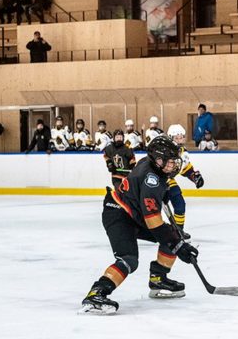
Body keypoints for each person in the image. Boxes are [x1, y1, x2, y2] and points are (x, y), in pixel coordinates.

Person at [80, 136, 199, 314]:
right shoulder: (152, 181)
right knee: (129, 259)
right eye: (171, 162)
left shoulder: (151, 166)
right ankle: (96, 293)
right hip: (118, 213)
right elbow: (154, 225)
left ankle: (158, 278)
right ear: (158, 160)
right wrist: (178, 247)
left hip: (133, 213)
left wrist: (175, 240)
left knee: (174, 234)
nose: (174, 165)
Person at [164, 124, 206, 235]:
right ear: (170, 138)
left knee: (180, 204)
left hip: (168, 180)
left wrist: (194, 177)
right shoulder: (164, 150)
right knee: (152, 208)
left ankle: (178, 231)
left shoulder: (183, 152)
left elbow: (185, 169)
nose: (179, 140)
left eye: (181, 137)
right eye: (176, 138)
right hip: (156, 182)